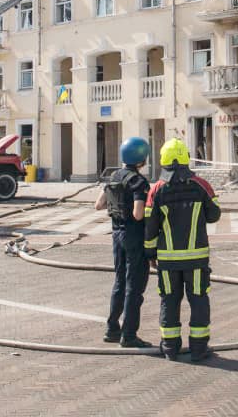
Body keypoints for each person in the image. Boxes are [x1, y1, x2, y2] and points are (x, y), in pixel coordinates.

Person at [145, 138, 221, 362]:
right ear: (186, 158)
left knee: (169, 300)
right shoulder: (201, 185)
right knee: (198, 300)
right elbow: (214, 214)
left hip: (167, 261)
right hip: (196, 259)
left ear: (164, 160)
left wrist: (150, 254)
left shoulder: (156, 190)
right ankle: (198, 349)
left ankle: (170, 348)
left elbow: (150, 228)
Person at [93, 136, 153, 348]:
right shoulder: (139, 181)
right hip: (133, 236)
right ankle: (129, 335)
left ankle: (112, 329)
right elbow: (138, 214)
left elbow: (98, 205)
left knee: (119, 281)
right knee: (134, 286)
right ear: (141, 159)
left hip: (116, 235)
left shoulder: (113, 176)